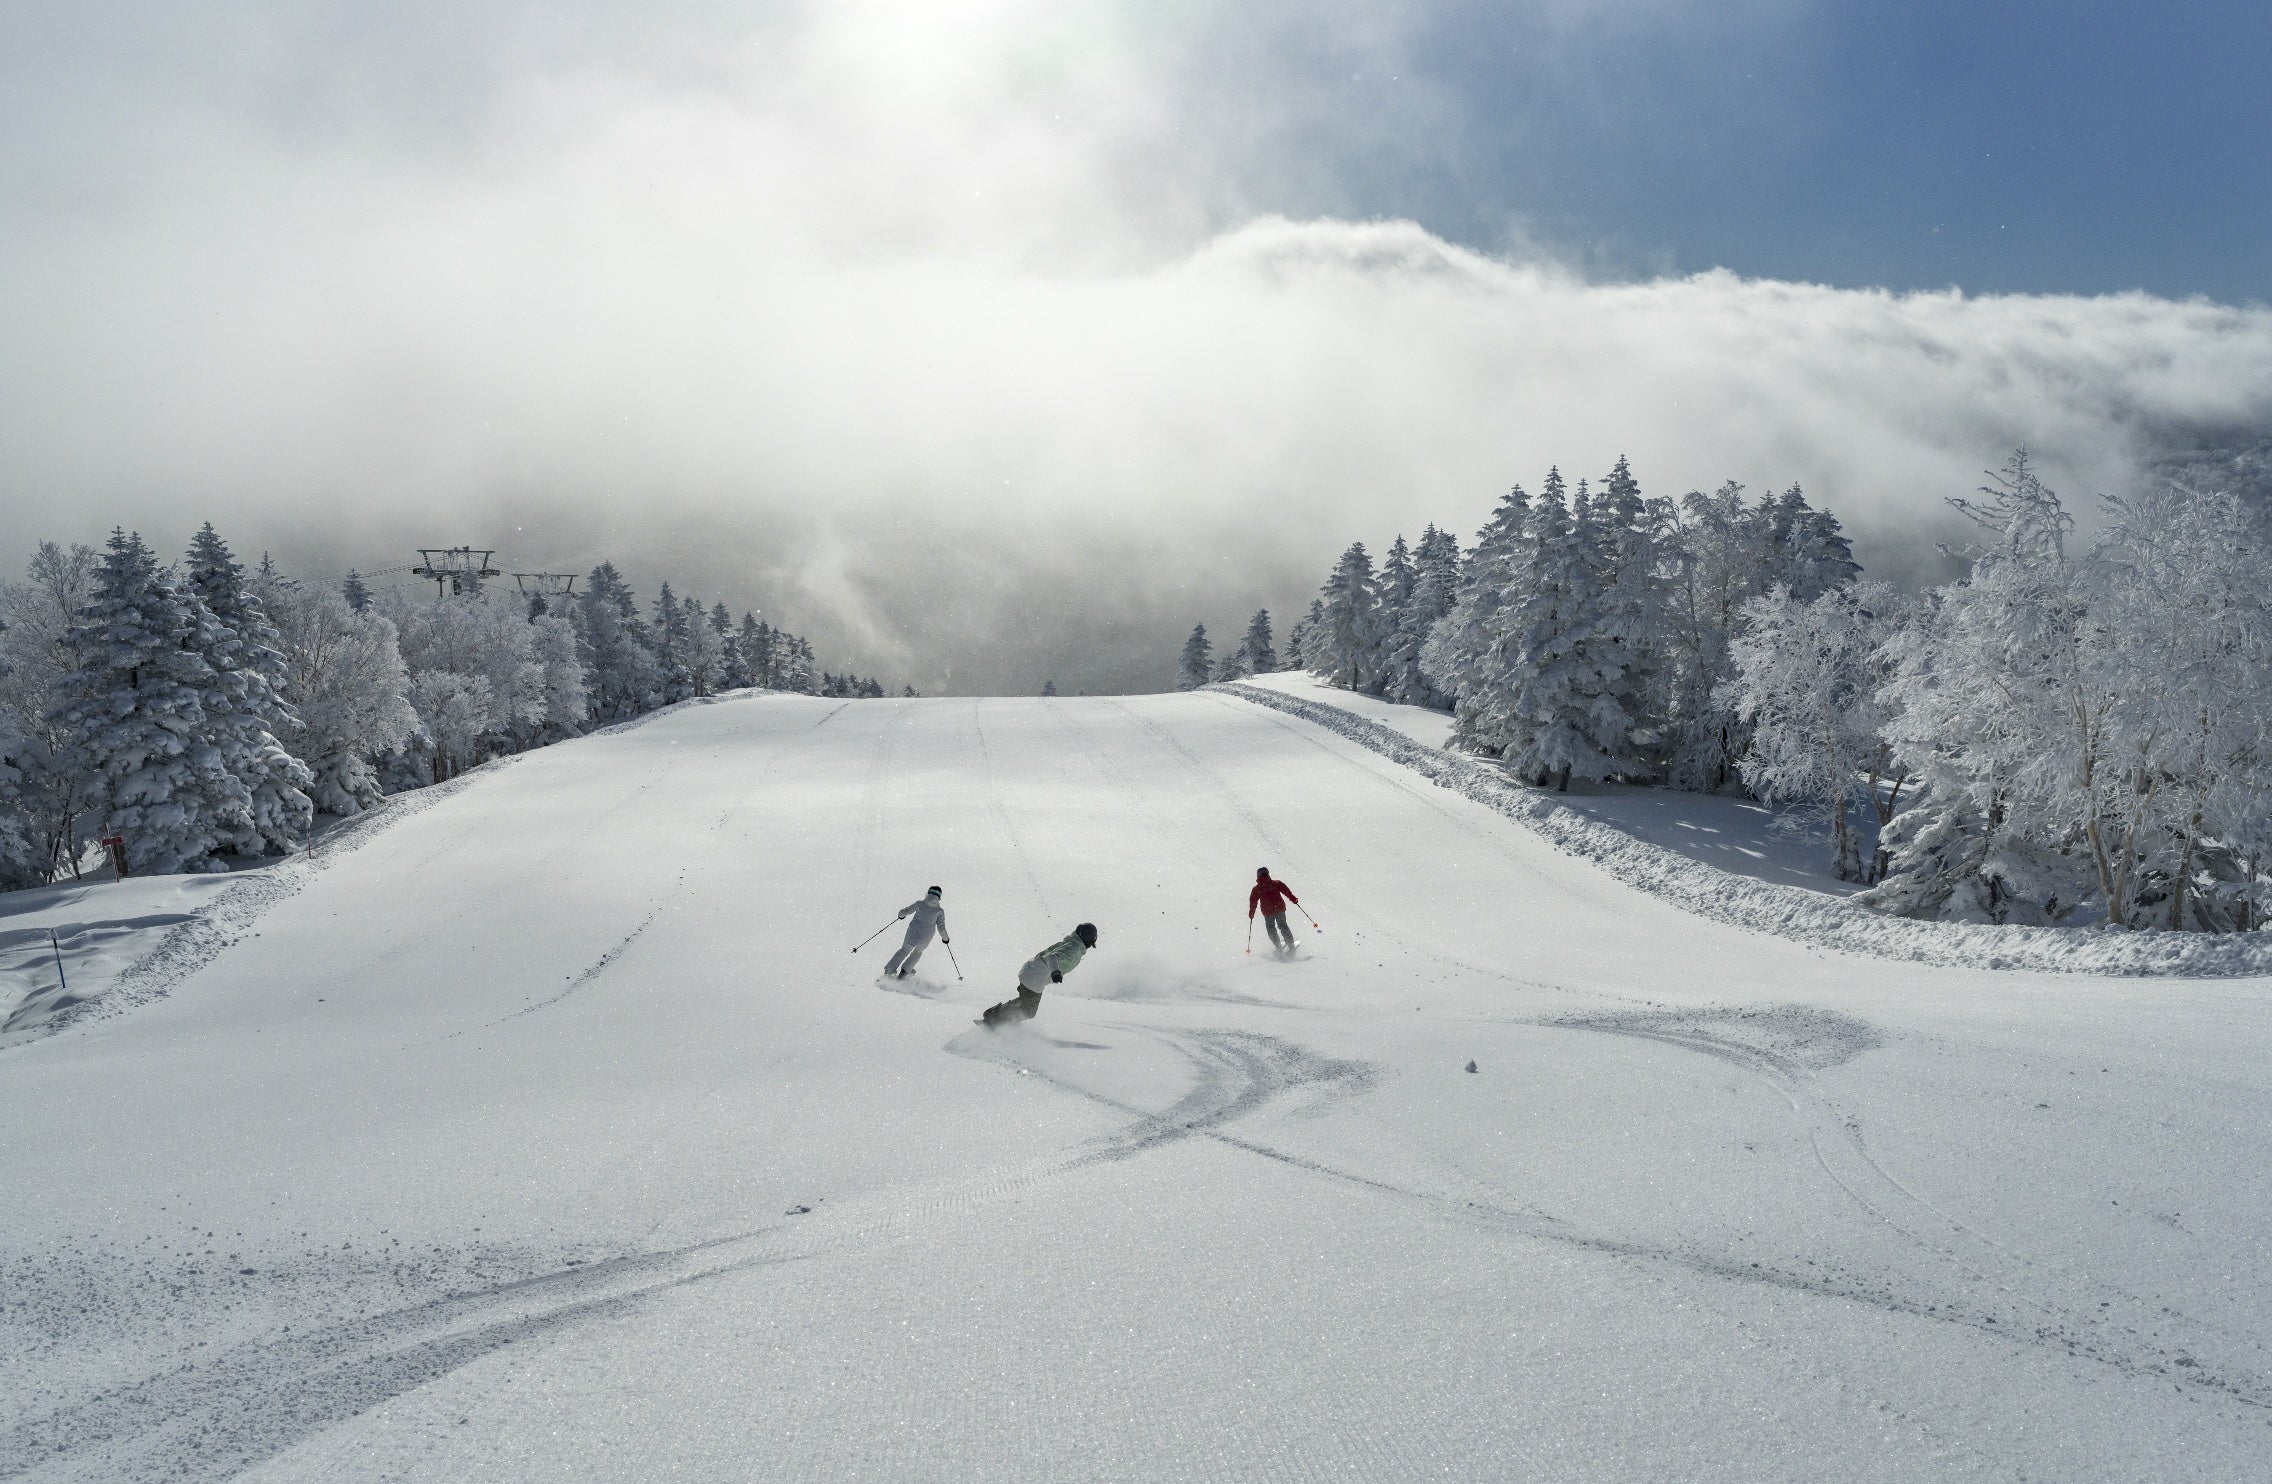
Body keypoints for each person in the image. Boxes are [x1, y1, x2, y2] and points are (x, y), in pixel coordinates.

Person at [982, 923, 1096, 1026]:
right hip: (1035, 978)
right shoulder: (1074, 949)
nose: (1090, 946)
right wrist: (1056, 972)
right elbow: (1052, 957)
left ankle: (1005, 1017)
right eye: (1091, 943)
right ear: (1087, 938)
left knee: (1025, 1003)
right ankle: (997, 1017)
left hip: (1032, 973)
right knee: (1028, 1011)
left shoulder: (1071, 944)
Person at [884, 887, 949, 979]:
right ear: (939, 897)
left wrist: (900, 915)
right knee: (917, 953)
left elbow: (905, 911)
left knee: (904, 950)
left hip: (913, 932)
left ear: (928, 894)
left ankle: (890, 970)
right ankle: (905, 972)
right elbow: (941, 928)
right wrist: (945, 938)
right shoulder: (939, 911)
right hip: (926, 937)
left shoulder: (920, 904)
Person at [1249, 867, 1301, 954]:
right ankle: (1291, 946)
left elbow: (1253, 902)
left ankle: (1278, 946)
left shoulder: (1257, 889)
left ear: (1258, 876)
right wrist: (1294, 899)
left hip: (1268, 912)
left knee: (1270, 928)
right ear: (1268, 874)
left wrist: (1251, 913)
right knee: (1283, 926)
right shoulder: (1276, 883)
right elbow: (1287, 891)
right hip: (1280, 909)